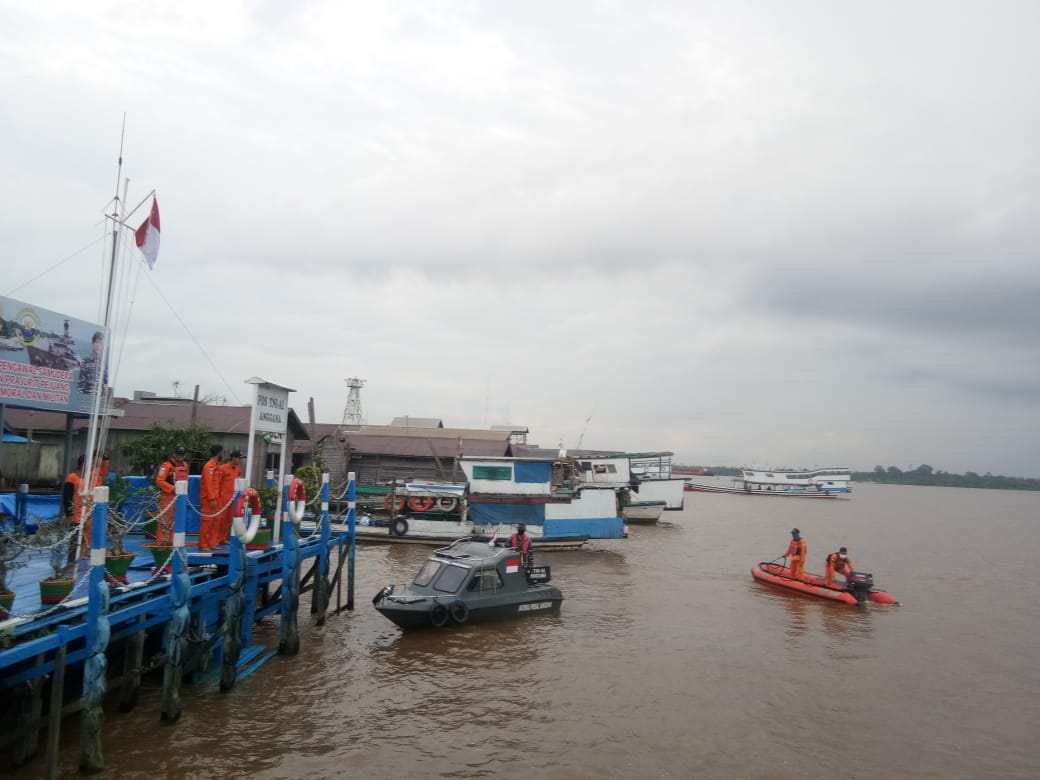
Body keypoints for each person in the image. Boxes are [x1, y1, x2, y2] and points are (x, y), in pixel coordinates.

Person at [155, 446, 190, 545]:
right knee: (164, 521)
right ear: (174, 454)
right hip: (167, 497)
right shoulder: (166, 465)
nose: (180, 456)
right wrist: (173, 488)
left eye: (182, 454)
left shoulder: (185, 465)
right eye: (178, 454)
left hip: (180, 498)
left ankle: (173, 542)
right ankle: (161, 544)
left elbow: (186, 480)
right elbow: (159, 481)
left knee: (176, 520)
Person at [198, 444, 224, 551]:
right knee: (207, 522)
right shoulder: (209, 466)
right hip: (209, 499)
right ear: (218, 453)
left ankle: (212, 543)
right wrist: (212, 498)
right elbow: (208, 484)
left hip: (217, 498)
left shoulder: (217, 466)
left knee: (216, 521)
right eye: (222, 452)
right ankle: (203, 544)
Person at [217, 450, 242, 546]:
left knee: (228, 520)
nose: (239, 460)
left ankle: (223, 538)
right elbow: (217, 482)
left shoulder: (238, 469)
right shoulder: (222, 468)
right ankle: (217, 539)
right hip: (223, 498)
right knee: (220, 519)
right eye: (238, 458)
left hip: (233, 498)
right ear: (234, 458)